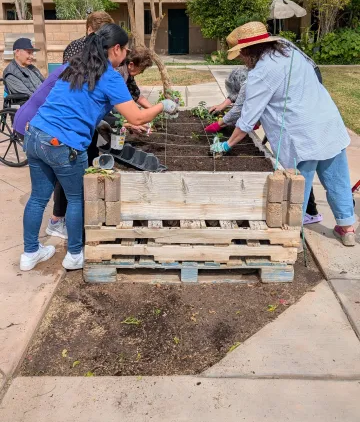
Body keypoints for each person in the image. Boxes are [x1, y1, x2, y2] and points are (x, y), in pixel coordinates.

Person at [20, 24, 178, 273]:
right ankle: (74, 255)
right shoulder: (110, 75)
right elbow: (138, 117)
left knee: (38, 197)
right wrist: (163, 106)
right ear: (116, 49)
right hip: (63, 144)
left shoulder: (76, 65)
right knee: (76, 198)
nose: (126, 57)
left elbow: (82, 105)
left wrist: (116, 122)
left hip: (35, 134)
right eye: (125, 51)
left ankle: (29, 253)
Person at [210, 21, 357, 246]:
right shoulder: (290, 51)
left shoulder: (261, 73)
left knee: (296, 190)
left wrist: (227, 145)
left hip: (301, 136)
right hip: (328, 124)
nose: (241, 59)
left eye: (241, 54)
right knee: (337, 180)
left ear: (250, 52)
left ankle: (292, 237)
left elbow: (247, 119)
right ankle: (347, 229)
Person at [205, 46, 324, 226]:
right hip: (316, 126)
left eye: (242, 56)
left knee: (299, 169)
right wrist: (224, 107)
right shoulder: (264, 66)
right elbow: (238, 100)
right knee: (313, 167)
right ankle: (329, 213)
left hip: (301, 130)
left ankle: (307, 213)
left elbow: (242, 112)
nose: (242, 60)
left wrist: (223, 135)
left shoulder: (256, 78)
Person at [47, 46, 155, 240]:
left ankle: (65, 220)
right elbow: (106, 106)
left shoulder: (111, 71)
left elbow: (131, 97)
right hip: (67, 131)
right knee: (71, 185)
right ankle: (63, 225)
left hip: (66, 128)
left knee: (77, 175)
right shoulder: (112, 73)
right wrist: (133, 120)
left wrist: (131, 119)